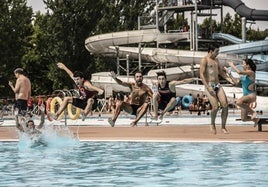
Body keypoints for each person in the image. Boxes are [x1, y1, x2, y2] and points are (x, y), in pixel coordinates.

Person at [199, 47, 235, 134]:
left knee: (225, 105)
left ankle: (223, 127)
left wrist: (229, 80)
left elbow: (221, 72)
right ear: (211, 51)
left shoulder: (216, 60)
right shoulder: (204, 60)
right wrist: (208, 87)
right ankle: (212, 124)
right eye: (216, 51)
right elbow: (201, 74)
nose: (218, 53)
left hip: (217, 85)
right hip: (209, 85)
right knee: (215, 107)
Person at [226, 59, 259, 126]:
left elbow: (239, 72)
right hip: (245, 97)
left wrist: (232, 65)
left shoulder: (251, 72)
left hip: (251, 96)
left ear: (248, 65)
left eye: (243, 63)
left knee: (238, 102)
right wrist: (229, 73)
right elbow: (236, 82)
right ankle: (256, 120)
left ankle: (253, 112)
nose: (242, 65)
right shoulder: (243, 75)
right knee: (244, 118)